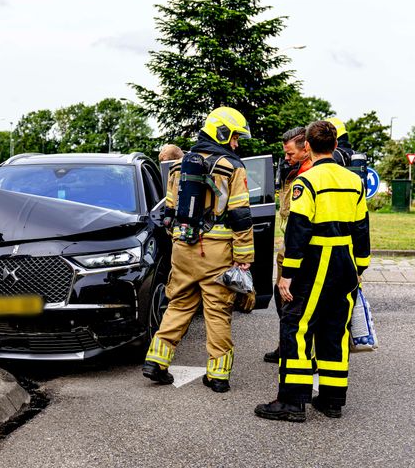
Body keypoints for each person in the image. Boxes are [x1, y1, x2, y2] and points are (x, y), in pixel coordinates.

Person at [255, 120, 371, 422]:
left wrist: (287, 274)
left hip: (315, 260)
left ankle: (291, 402)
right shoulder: (353, 180)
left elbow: (298, 229)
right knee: (334, 331)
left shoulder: (306, 183)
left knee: (296, 327)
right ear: (334, 146)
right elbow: (362, 228)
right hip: (345, 261)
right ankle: (332, 400)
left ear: (307, 146)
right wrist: (360, 265)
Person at [143, 107, 254, 393]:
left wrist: (179, 239)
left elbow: (168, 211)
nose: (236, 144)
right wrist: (244, 257)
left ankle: (156, 361)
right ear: (222, 132)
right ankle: (217, 375)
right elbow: (240, 215)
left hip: (183, 248)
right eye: (234, 137)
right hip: (216, 253)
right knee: (217, 311)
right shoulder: (232, 166)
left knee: (178, 304)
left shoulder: (179, 166)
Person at [263, 126, 313, 363]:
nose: (286, 158)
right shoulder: (294, 170)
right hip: (287, 247)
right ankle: (286, 344)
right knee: (282, 298)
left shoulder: (309, 174)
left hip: (301, 250)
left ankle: (300, 353)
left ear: (307, 148)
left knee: (296, 303)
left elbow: (301, 224)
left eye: (291, 153)